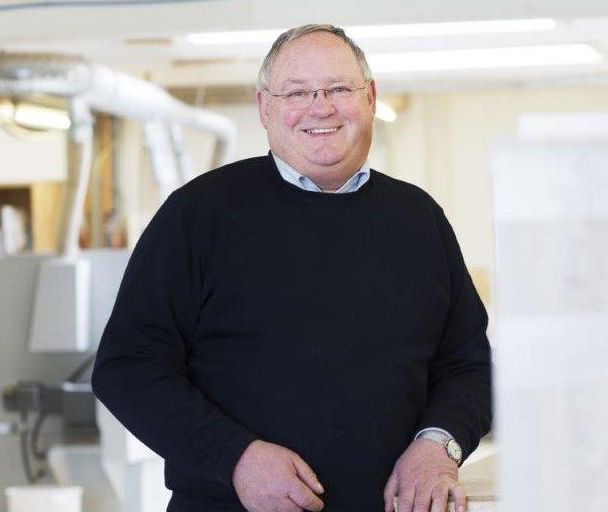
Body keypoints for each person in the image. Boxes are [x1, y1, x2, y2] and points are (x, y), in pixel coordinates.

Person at [91, 23, 492, 512]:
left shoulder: (418, 220)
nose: (320, 107)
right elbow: (127, 368)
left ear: (369, 97)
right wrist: (235, 458)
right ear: (265, 108)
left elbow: (468, 366)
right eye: (297, 92)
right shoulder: (198, 215)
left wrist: (438, 444)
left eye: (339, 88)